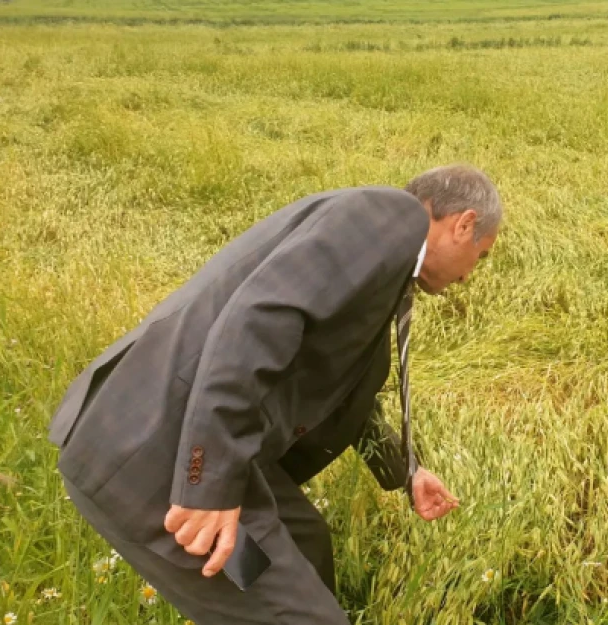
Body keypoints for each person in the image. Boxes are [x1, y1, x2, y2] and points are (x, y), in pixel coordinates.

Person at [48, 164, 501, 624]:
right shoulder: (390, 217)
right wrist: (208, 486)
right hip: (156, 454)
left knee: (306, 542)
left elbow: (345, 385)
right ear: (463, 223)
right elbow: (257, 320)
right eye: (481, 257)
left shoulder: (387, 260)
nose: (469, 276)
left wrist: (407, 470)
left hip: (184, 442)